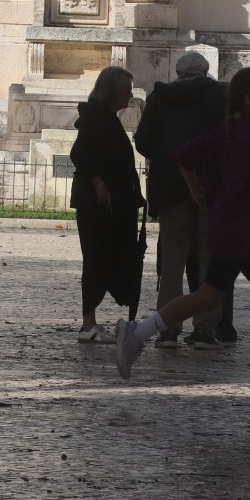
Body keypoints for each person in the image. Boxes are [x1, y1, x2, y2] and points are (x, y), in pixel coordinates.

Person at [116, 67, 250, 395]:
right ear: (249, 99)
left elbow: (182, 158)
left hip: (230, 227)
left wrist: (198, 190)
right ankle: (137, 334)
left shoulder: (221, 135)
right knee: (220, 296)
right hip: (237, 232)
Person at [134, 52, 228, 348]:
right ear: (205, 70)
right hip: (211, 188)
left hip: (170, 187)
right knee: (208, 260)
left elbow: (143, 141)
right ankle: (205, 330)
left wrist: (166, 157)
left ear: (178, 72)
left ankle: (168, 329)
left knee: (172, 259)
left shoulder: (160, 97)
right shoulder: (220, 96)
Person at [70, 66, 144, 343]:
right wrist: (100, 184)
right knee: (95, 259)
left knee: (107, 258)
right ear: (113, 90)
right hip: (97, 203)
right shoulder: (96, 118)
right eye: (126, 89)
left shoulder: (105, 118)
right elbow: (80, 153)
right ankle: (88, 324)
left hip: (113, 202)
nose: (131, 94)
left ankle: (94, 320)